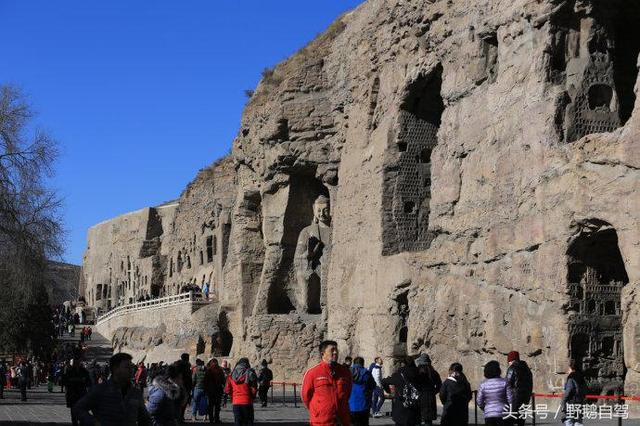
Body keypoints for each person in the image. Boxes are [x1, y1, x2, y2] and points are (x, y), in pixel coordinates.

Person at [73, 352, 151, 425]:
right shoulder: (100, 390)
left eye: (131, 366)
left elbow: (144, 418)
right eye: (127, 367)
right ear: (115, 368)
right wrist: (93, 422)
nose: (131, 370)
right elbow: (78, 408)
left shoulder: (135, 393)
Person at [302, 340, 352, 426]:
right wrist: (319, 409)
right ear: (322, 354)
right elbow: (306, 396)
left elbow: (348, 393)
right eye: (332, 350)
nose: (335, 352)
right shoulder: (313, 373)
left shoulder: (345, 372)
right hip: (321, 421)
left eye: (336, 350)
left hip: (342, 420)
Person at [381, 356, 423, 426]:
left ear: (403, 364)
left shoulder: (399, 374)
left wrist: (388, 391)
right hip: (415, 406)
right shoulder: (419, 373)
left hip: (401, 406)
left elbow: (384, 381)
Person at [476, 360, 513, 425]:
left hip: (489, 414)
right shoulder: (505, 382)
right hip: (503, 413)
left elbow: (479, 401)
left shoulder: (483, 384)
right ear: (498, 370)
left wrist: (485, 408)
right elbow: (510, 399)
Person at [224, 358, 258, 426]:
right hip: (247, 401)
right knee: (248, 422)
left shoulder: (231, 375)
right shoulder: (250, 373)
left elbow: (227, 390)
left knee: (238, 422)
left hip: (236, 402)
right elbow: (254, 388)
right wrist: (252, 396)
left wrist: (233, 395)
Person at [505, 351, 533, 426]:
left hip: (513, 400)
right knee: (521, 421)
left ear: (511, 360)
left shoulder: (512, 368)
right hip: (525, 399)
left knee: (509, 421)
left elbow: (507, 384)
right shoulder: (527, 369)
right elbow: (530, 384)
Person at [62, 355, 91, 426]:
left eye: (78, 361)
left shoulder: (84, 371)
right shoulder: (69, 371)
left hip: (82, 395)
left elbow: (88, 382)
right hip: (72, 395)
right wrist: (79, 380)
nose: (76, 363)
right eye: (75, 362)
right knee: (74, 415)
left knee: (82, 414)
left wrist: (75, 380)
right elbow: (65, 381)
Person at [413, 354, 441, 426]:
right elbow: (439, 385)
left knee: (417, 419)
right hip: (430, 396)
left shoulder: (416, 372)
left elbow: (413, 384)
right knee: (428, 420)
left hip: (419, 396)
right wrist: (433, 392)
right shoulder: (433, 372)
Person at [349, 357, 376, 426]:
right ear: (362, 363)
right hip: (364, 404)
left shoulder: (348, 373)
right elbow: (373, 385)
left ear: (354, 363)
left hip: (351, 405)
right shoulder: (367, 373)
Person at [562, 360, 587, 426]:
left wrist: (563, 400)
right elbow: (585, 389)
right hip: (580, 401)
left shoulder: (571, 377)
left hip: (571, 401)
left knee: (569, 420)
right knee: (578, 421)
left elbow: (568, 390)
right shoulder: (581, 376)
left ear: (571, 367)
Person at [204, 358, 226, 424]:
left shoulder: (209, 370)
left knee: (210, 406)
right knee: (217, 406)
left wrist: (205, 390)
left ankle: (211, 419)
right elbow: (223, 380)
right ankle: (216, 419)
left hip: (210, 391)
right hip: (218, 390)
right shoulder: (220, 370)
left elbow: (205, 381)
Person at [176, 353, 193, 422]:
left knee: (179, 403)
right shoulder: (185, 366)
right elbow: (188, 378)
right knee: (183, 403)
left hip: (179, 386)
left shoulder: (177, 365)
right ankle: (180, 417)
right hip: (184, 386)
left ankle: (179, 417)